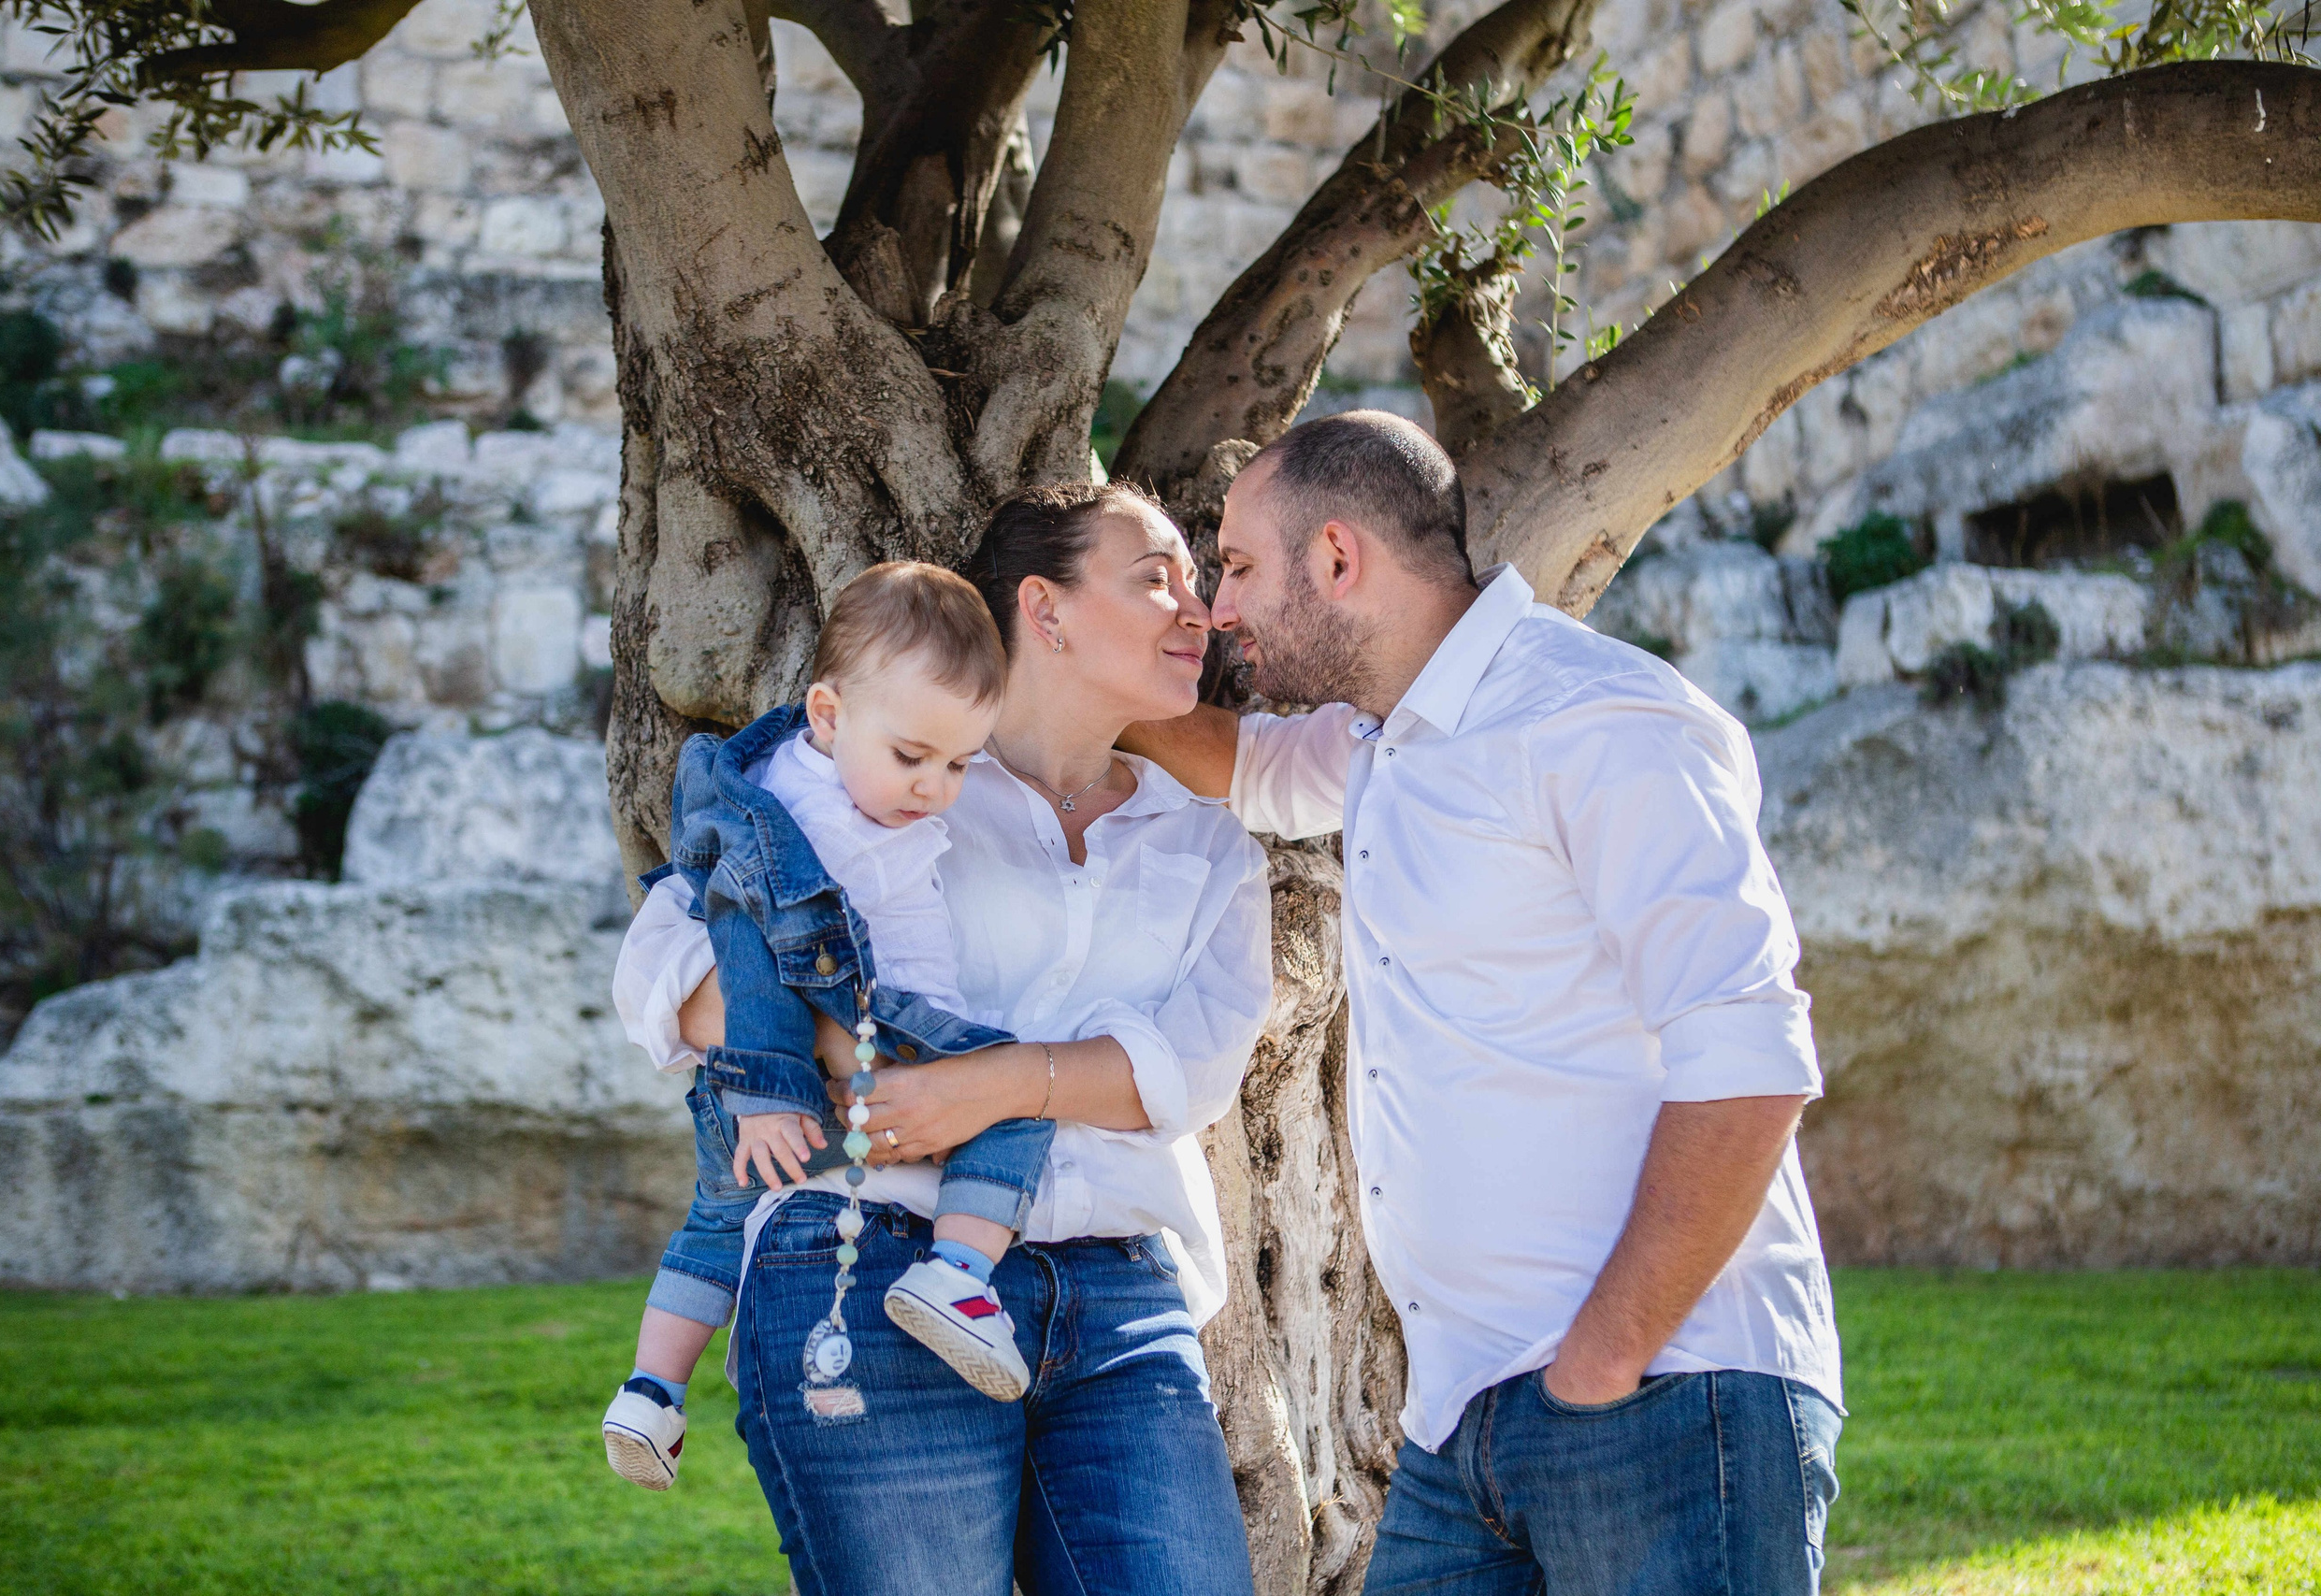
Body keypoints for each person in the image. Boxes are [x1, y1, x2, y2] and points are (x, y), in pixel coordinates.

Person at [1120, 410, 1845, 1595]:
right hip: (1462, 1425)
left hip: (1663, 1389)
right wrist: (1054, 670)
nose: (1222, 613)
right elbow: (1238, 765)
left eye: (1240, 567)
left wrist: (1602, 1364)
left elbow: (1750, 1055)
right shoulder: (1382, 745)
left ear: (1339, 557)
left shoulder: (1600, 719)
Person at [613, 482, 1271, 1595]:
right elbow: (665, 970)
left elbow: (1190, 1075)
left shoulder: (1207, 844)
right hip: (864, 1258)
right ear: (1044, 610)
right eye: (1155, 577)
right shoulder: (901, 777)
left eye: (1198, 581)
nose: (1197, 608)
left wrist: (991, 1087)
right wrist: (853, 1054)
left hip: (1120, 1298)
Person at [602, 562, 1060, 1492]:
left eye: (959, 763)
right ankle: (959, 1273)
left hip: (751, 1089)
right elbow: (748, 957)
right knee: (1021, 1090)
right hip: (820, 1059)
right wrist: (774, 1092)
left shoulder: (792, 786)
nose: (933, 787)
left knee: (713, 1224)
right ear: (825, 713)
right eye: (912, 755)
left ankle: (650, 1391)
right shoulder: (801, 831)